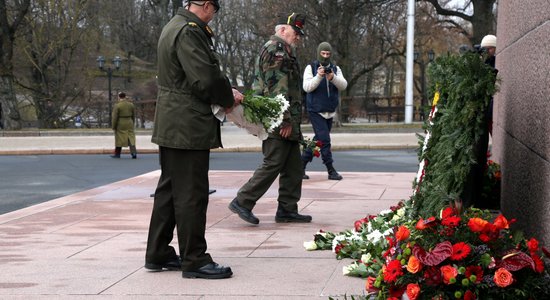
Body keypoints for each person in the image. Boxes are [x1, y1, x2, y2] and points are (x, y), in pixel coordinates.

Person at [145, 0, 243, 279]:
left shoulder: (173, 25)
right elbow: (205, 79)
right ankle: (195, 259)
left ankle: (158, 253)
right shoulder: (189, 31)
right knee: (191, 193)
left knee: (170, 191)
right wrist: (228, 97)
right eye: (215, 11)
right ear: (208, 7)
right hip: (187, 125)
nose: (213, 17)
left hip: (174, 122)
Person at [228, 12, 312, 225]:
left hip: (285, 116)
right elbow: (277, 87)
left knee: (293, 165)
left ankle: (287, 209)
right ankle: (243, 200)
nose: (298, 38)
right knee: (274, 161)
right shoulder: (277, 50)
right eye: (296, 33)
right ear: (283, 29)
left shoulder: (284, 49)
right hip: (276, 117)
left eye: (300, 34)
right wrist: (284, 120)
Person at [462, 34, 499, 210]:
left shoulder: (492, 66)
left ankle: (473, 202)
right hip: (476, 120)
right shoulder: (478, 66)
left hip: (483, 117)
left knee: (478, 160)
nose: (488, 53)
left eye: (490, 49)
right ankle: (470, 202)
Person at [301, 42, 348, 180]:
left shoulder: (335, 68)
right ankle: (331, 169)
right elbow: (307, 87)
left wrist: (332, 78)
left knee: (318, 140)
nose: (326, 56)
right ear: (318, 53)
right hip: (315, 110)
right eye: (323, 53)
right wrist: (319, 76)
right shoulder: (311, 67)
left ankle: (301, 164)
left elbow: (344, 85)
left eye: (328, 54)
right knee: (325, 140)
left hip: (330, 110)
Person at [110, 92, 137, 159]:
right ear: (125, 96)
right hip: (129, 121)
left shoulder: (118, 105)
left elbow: (115, 117)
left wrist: (113, 126)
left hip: (121, 122)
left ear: (119, 97)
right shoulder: (131, 105)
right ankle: (133, 153)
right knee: (131, 137)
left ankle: (117, 154)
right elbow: (133, 115)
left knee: (119, 138)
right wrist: (132, 122)